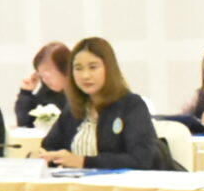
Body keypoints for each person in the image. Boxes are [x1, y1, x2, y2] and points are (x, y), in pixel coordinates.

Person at [34, 37, 162, 169]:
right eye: (78, 68)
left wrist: (83, 162)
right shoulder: (73, 109)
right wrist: (42, 157)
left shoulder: (132, 106)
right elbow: (49, 147)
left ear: (109, 68)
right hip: (78, 181)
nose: (85, 75)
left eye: (93, 67)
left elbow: (141, 160)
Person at [14, 42, 73, 131]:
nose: (45, 80)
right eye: (41, 76)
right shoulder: (46, 91)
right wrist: (26, 93)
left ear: (65, 69)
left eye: (47, 75)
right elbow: (25, 124)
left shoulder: (79, 93)